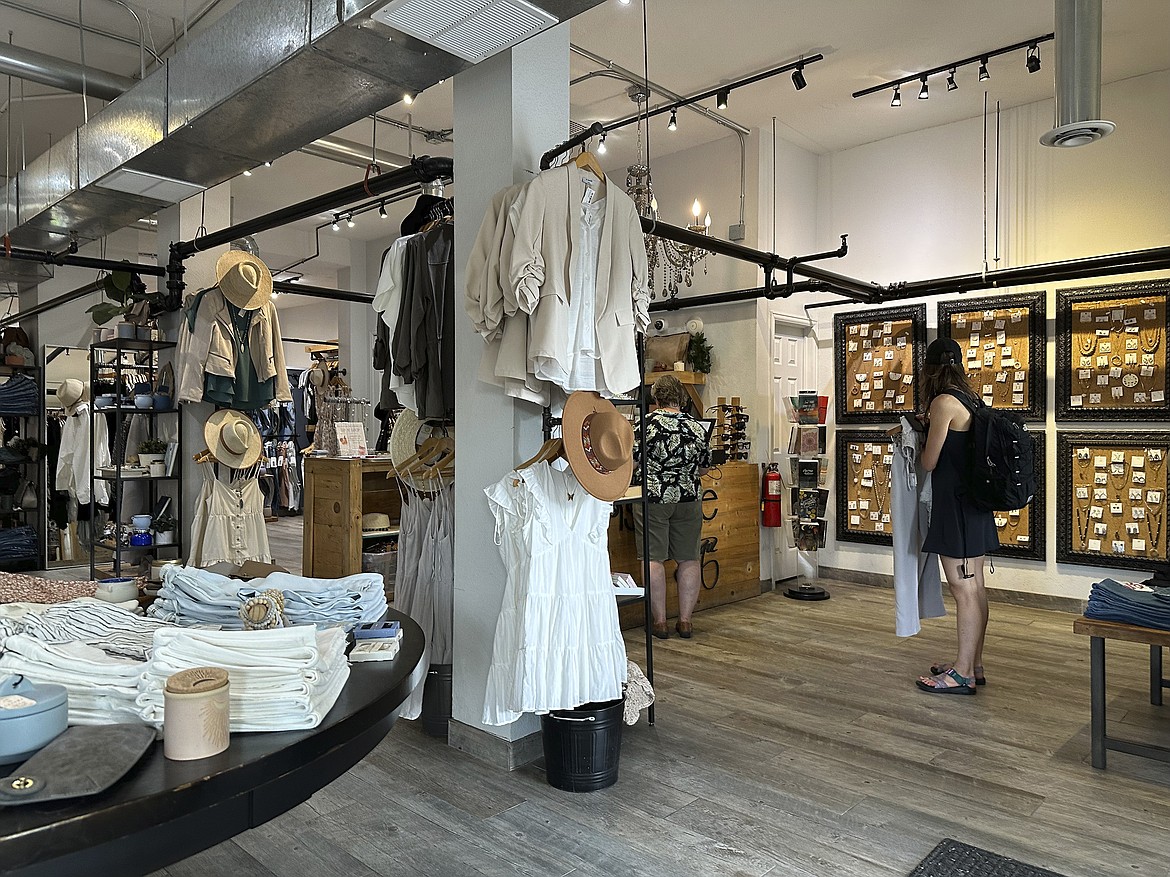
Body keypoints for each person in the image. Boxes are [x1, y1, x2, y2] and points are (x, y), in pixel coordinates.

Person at [914, 336, 999, 694]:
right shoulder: (969, 398)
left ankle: (961, 675)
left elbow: (929, 461)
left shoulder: (942, 402)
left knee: (962, 589)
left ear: (930, 370)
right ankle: (972, 663)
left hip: (954, 506)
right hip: (975, 503)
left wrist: (923, 435)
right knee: (976, 585)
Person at [633, 374, 711, 639]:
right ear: (682, 398)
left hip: (653, 499)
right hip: (689, 498)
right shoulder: (696, 427)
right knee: (688, 558)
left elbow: (631, 462)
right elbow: (704, 467)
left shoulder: (646, 425)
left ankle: (660, 622)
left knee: (653, 559)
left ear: (655, 398)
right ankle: (686, 622)